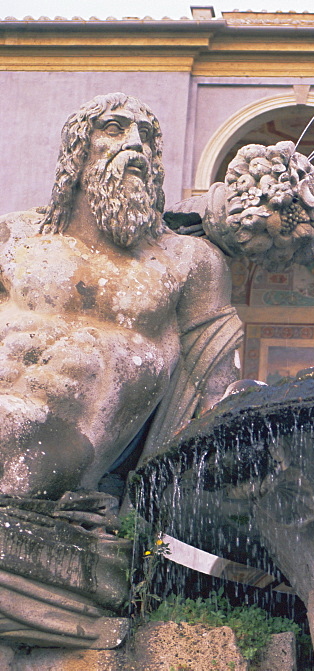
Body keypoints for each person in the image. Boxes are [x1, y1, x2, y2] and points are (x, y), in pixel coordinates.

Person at [0, 92, 243, 500]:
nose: (135, 145)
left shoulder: (187, 262)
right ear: (77, 151)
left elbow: (213, 395)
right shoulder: (15, 236)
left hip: (60, 463)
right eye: (114, 129)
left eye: (146, 137)